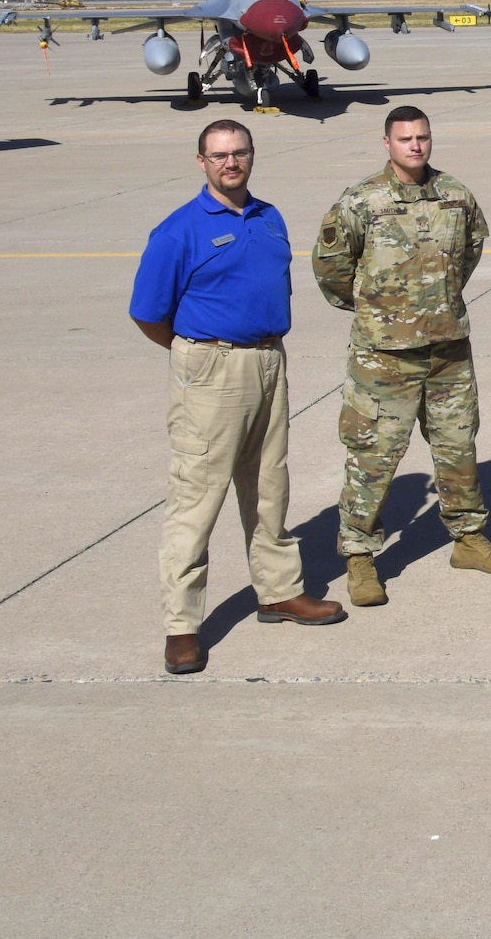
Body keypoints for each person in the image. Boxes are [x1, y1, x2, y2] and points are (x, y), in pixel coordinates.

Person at [130, 120, 344, 674]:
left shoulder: (268, 216)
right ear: (201, 161)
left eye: (240, 153)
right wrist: (197, 353)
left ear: (252, 156)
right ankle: (182, 625)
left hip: (270, 362)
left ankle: (277, 592)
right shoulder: (178, 231)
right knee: (196, 499)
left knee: (269, 485)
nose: (231, 163)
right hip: (212, 367)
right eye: (219, 155)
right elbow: (149, 314)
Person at [313, 106, 491, 606]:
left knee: (457, 447)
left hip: (447, 349)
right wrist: (379, 312)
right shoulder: (361, 202)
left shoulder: (456, 195)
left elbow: (468, 253)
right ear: (387, 143)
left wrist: (436, 303)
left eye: (423, 137)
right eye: (405, 139)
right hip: (385, 357)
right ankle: (360, 556)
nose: (416, 146)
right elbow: (332, 271)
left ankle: (468, 538)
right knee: (374, 456)